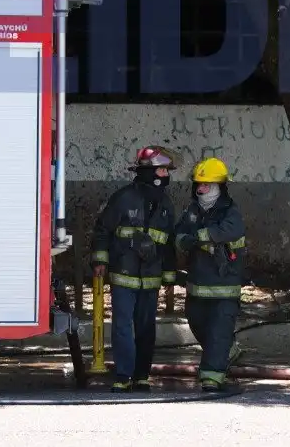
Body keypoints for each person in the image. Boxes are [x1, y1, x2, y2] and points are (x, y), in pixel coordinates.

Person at [90, 145, 178, 393]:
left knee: (146, 327)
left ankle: (142, 376)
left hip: (151, 277)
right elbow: (102, 230)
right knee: (122, 325)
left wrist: (169, 275)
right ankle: (123, 375)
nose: (165, 176)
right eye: (161, 170)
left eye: (166, 171)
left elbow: (169, 243)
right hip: (124, 274)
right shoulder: (123, 198)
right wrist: (100, 261)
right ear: (149, 172)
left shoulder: (165, 205)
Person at [175, 157, 246, 392]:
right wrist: (183, 240)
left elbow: (231, 230)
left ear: (218, 187)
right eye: (198, 184)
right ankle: (228, 349)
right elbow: (180, 232)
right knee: (197, 323)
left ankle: (211, 377)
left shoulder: (230, 211)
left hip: (224, 284)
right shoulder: (193, 210)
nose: (200, 188)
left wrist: (202, 236)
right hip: (197, 284)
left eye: (205, 185)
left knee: (218, 329)